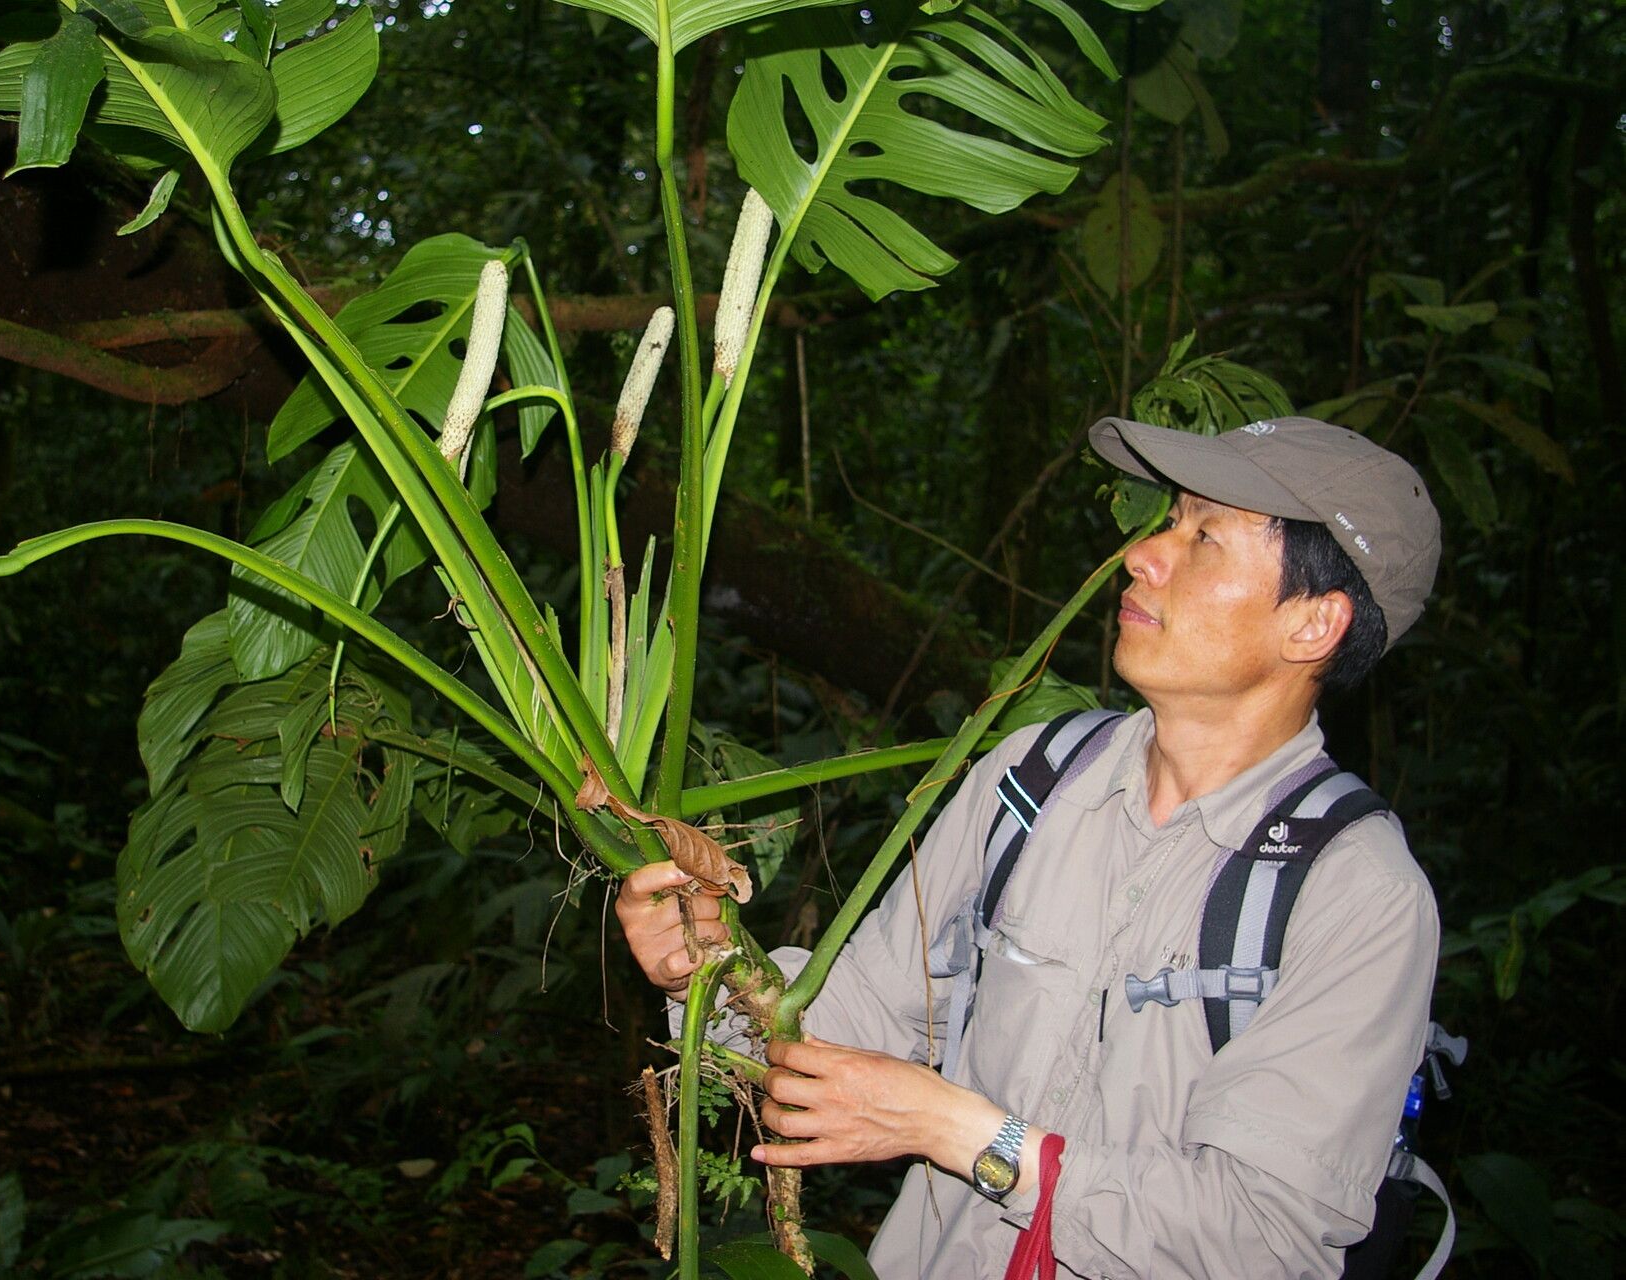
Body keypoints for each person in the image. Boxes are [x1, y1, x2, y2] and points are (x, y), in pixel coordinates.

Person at [617, 416, 1444, 1279]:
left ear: (1312, 626)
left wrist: (963, 1132)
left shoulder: (1356, 893)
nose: (1142, 555)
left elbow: (1266, 1236)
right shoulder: (1033, 776)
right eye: (1168, 521)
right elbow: (858, 1017)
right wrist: (705, 967)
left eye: (1204, 538)